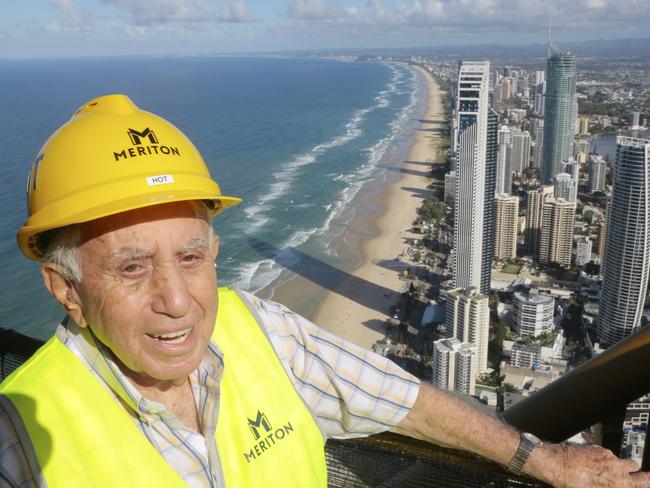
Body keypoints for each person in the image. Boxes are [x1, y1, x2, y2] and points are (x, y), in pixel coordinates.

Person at [0, 94, 647, 488]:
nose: (178, 299)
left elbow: (411, 402)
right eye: (133, 268)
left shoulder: (257, 330)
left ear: (215, 253)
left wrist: (544, 461)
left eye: (191, 256)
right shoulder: (23, 438)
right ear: (67, 289)